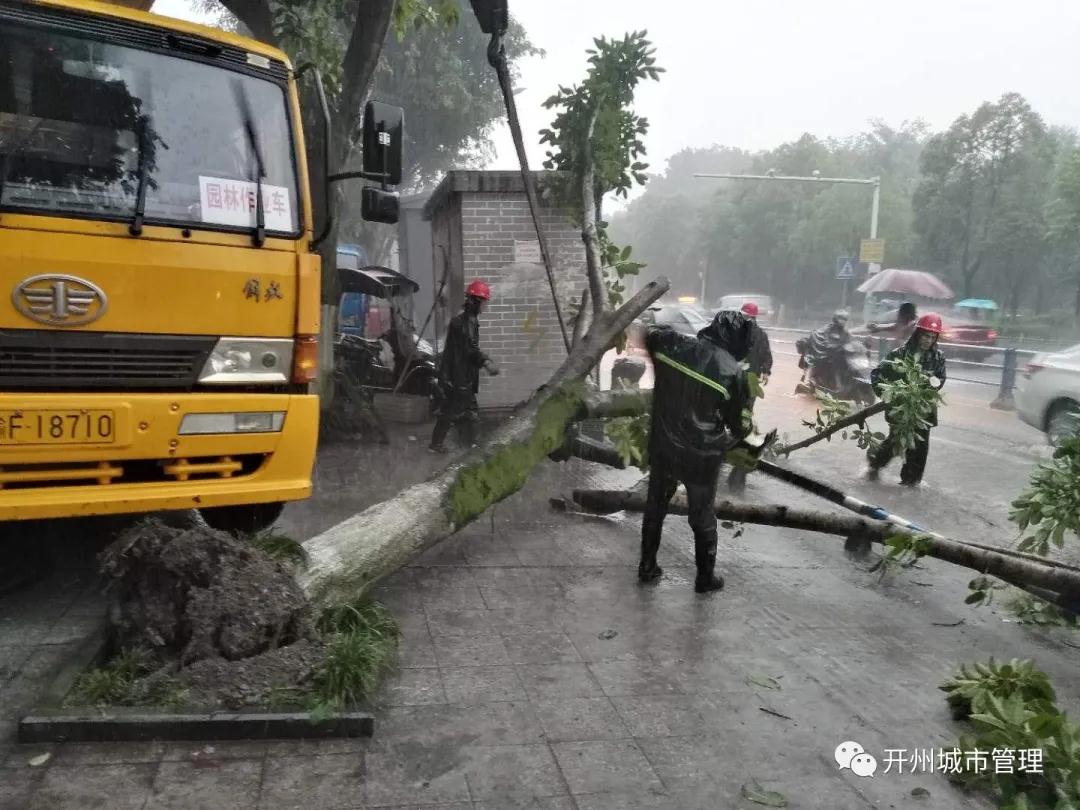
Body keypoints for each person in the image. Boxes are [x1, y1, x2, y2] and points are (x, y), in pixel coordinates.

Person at [640, 310, 757, 593]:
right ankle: (705, 578)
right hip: (701, 458)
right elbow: (740, 426)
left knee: (655, 507)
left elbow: (647, 333)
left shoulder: (672, 344)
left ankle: (646, 567)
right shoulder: (734, 372)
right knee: (702, 516)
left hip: (664, 447)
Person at [864, 313, 947, 486]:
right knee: (896, 441)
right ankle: (875, 465)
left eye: (932, 337)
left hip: (924, 409)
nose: (928, 340)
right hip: (901, 407)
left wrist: (932, 386)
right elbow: (877, 375)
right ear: (917, 334)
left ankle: (912, 481)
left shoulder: (938, 357)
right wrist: (888, 394)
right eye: (925, 336)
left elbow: (940, 378)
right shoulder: (899, 354)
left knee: (920, 446)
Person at [429, 280, 499, 453]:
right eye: (484, 302)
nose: (486, 306)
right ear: (476, 302)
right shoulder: (466, 322)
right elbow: (469, 348)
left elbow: (466, 348)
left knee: (459, 411)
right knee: (457, 411)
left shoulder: (465, 320)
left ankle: (461, 444)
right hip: (458, 376)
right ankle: (469, 446)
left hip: (458, 374)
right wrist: (486, 362)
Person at [727, 301, 772, 493]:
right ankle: (741, 446)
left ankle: (736, 449)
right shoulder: (760, 335)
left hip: (736, 381)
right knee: (743, 414)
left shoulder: (735, 331)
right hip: (746, 383)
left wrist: (766, 370)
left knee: (733, 413)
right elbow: (767, 357)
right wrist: (766, 371)